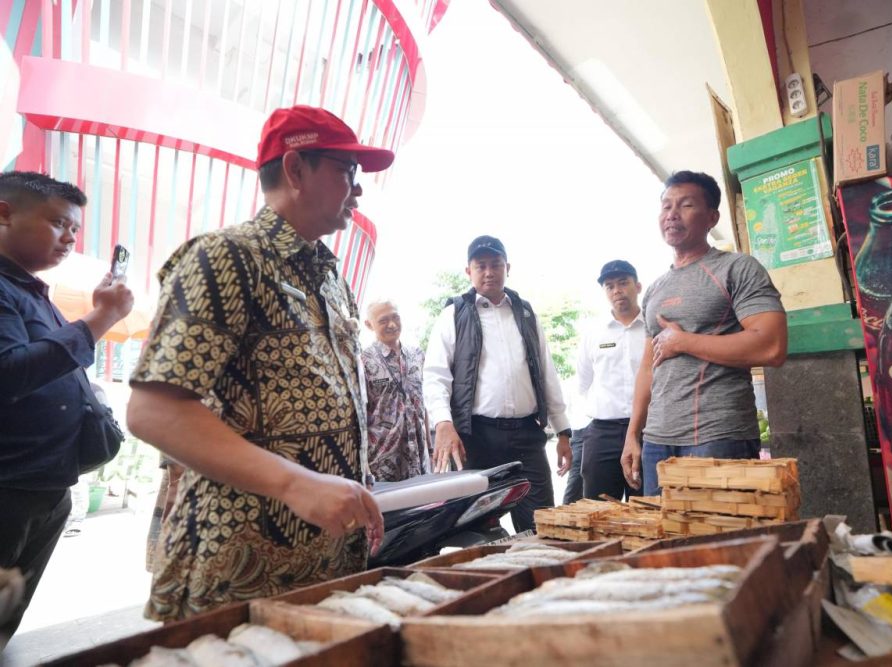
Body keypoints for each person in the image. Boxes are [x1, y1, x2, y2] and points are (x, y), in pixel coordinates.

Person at [127, 105, 387, 621]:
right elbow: (153, 412)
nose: (358, 190)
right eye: (347, 171)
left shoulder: (329, 276)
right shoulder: (226, 257)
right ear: (295, 169)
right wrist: (296, 483)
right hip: (241, 563)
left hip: (325, 561)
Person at [0, 171, 133, 639]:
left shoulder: (30, 292)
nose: (69, 238)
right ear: (4, 213)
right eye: (59, 223)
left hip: (42, 486)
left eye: (75, 229)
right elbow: (9, 373)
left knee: (4, 620)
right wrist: (101, 318)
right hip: (8, 489)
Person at [620, 171, 788, 497]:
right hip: (658, 440)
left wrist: (684, 342)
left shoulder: (737, 268)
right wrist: (633, 434)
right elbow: (647, 367)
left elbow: (772, 346)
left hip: (718, 435)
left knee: (719, 541)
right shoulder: (655, 287)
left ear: (712, 217)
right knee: (668, 543)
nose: (672, 214)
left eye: (685, 205)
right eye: (666, 205)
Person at [423, 235, 572, 531]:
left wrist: (564, 431)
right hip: (477, 438)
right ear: (469, 271)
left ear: (507, 268)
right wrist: (443, 423)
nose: (489, 272)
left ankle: (540, 577)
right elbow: (435, 375)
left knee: (541, 527)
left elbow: (546, 373)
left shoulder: (526, 313)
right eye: (481, 266)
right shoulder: (454, 314)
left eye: (496, 264)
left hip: (528, 436)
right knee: (479, 531)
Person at [577, 259, 645, 500]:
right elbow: (583, 383)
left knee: (649, 507)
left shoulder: (653, 328)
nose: (617, 290)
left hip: (649, 431)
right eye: (609, 285)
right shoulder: (593, 332)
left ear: (637, 286)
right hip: (602, 434)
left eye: (623, 283)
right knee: (599, 509)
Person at [361, 299, 431, 481]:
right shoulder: (363, 361)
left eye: (396, 318)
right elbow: (360, 416)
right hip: (382, 461)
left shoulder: (417, 354)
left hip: (419, 458)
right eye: (383, 321)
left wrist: (430, 449)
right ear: (369, 325)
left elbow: (423, 404)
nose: (392, 325)